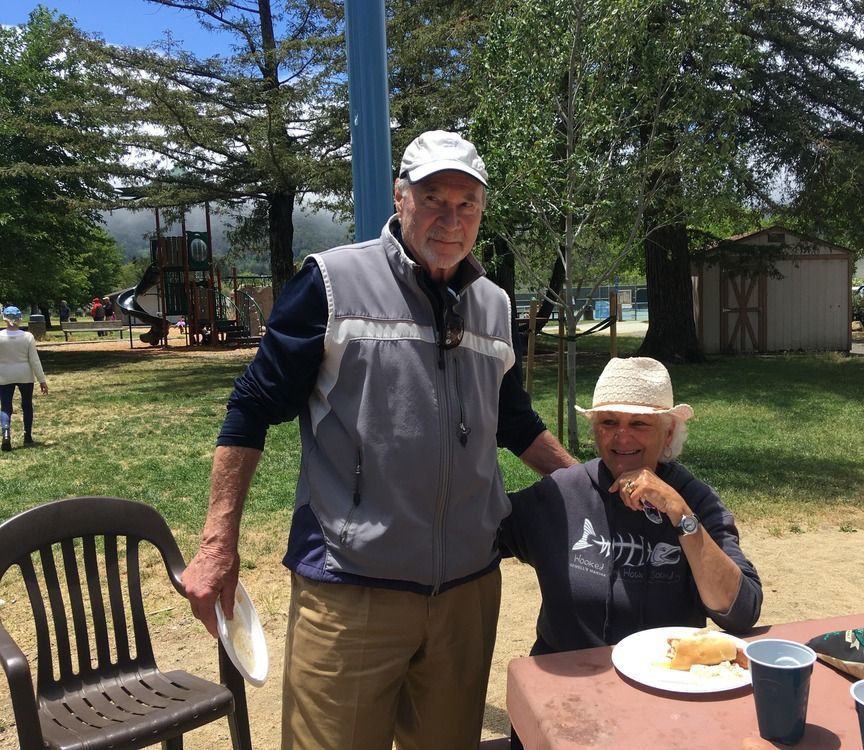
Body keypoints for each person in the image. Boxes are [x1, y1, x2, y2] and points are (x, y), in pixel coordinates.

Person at [181, 130, 576, 750]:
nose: (451, 219)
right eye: (433, 199)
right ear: (400, 197)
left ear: (481, 211)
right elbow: (251, 408)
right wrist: (216, 546)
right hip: (351, 587)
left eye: (467, 204)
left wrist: (595, 486)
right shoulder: (333, 283)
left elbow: (515, 424)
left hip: (467, 591)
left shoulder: (494, 306)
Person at [500, 356, 762, 655]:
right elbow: (480, 533)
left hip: (661, 673)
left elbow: (741, 611)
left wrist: (680, 514)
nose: (622, 436)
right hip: (567, 676)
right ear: (595, 430)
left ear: (668, 434)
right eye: (609, 422)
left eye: (639, 423)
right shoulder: (561, 493)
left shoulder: (695, 499)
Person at [1, 306, 50, 451]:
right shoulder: (27, 337)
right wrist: (42, 380)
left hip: (4, 374)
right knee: (27, 405)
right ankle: (27, 435)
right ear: (20, 319)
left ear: (4, 319)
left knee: (5, 407)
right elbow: (34, 360)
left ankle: (5, 432)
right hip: (25, 374)